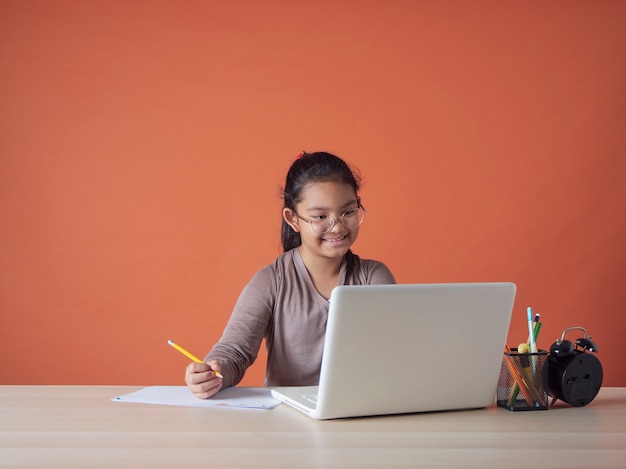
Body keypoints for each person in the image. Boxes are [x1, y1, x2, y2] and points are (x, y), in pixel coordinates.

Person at [185, 151, 396, 398]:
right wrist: (212, 373)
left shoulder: (374, 278)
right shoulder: (272, 281)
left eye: (348, 212)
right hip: (288, 420)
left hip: (360, 409)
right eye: (320, 216)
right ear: (293, 219)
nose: (337, 226)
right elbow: (235, 351)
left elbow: (396, 351)